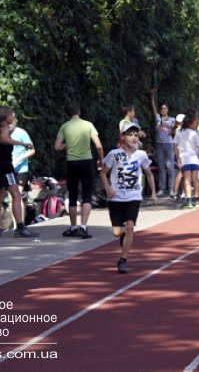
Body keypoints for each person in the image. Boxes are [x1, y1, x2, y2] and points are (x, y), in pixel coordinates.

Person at [100, 122, 158, 274]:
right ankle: (124, 235)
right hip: (116, 198)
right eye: (130, 135)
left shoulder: (141, 155)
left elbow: (149, 173)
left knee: (130, 226)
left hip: (133, 197)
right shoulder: (114, 154)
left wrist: (153, 193)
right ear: (123, 137)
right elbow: (102, 173)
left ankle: (123, 259)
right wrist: (108, 188)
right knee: (116, 232)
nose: (133, 138)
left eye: (136, 135)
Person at [54, 103, 104, 239]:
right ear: (79, 112)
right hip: (87, 162)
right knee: (87, 195)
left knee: (73, 195)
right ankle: (83, 227)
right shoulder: (88, 125)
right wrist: (101, 160)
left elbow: (57, 146)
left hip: (72, 163)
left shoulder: (65, 126)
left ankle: (73, 227)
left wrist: (67, 145)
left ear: (66, 115)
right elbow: (98, 145)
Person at [0, 106, 38, 238]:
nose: (14, 117)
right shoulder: (4, 129)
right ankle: (20, 227)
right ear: (5, 117)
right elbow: (5, 139)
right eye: (12, 114)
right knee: (16, 195)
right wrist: (22, 144)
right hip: (5, 168)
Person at [173, 111, 199, 209]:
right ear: (191, 123)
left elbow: (174, 145)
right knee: (195, 180)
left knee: (187, 180)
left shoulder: (179, 132)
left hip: (185, 159)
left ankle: (189, 200)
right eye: (195, 122)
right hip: (194, 158)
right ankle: (197, 199)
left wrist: (178, 157)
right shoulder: (194, 134)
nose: (196, 124)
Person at [150, 89, 175, 196]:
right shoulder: (157, 118)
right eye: (161, 108)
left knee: (170, 167)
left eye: (165, 108)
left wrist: (171, 129)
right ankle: (161, 189)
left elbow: (174, 130)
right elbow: (153, 108)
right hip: (159, 144)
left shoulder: (172, 119)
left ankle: (171, 189)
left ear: (168, 109)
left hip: (169, 144)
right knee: (161, 167)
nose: (163, 110)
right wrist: (152, 97)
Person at [11, 116, 35, 218]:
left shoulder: (21, 133)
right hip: (9, 169)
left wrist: (19, 159)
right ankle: (16, 226)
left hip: (21, 169)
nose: (10, 124)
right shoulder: (3, 134)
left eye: (12, 122)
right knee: (12, 198)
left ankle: (20, 225)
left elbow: (32, 150)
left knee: (18, 195)